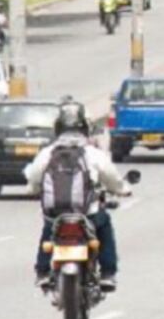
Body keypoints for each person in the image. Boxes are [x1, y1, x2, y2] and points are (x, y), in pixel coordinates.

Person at [25, 101, 129, 292]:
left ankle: (42, 271)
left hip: (55, 213)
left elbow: (33, 177)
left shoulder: (48, 153)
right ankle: (107, 272)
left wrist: (32, 189)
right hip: (87, 214)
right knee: (104, 225)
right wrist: (122, 189)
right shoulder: (92, 153)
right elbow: (112, 178)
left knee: (49, 229)